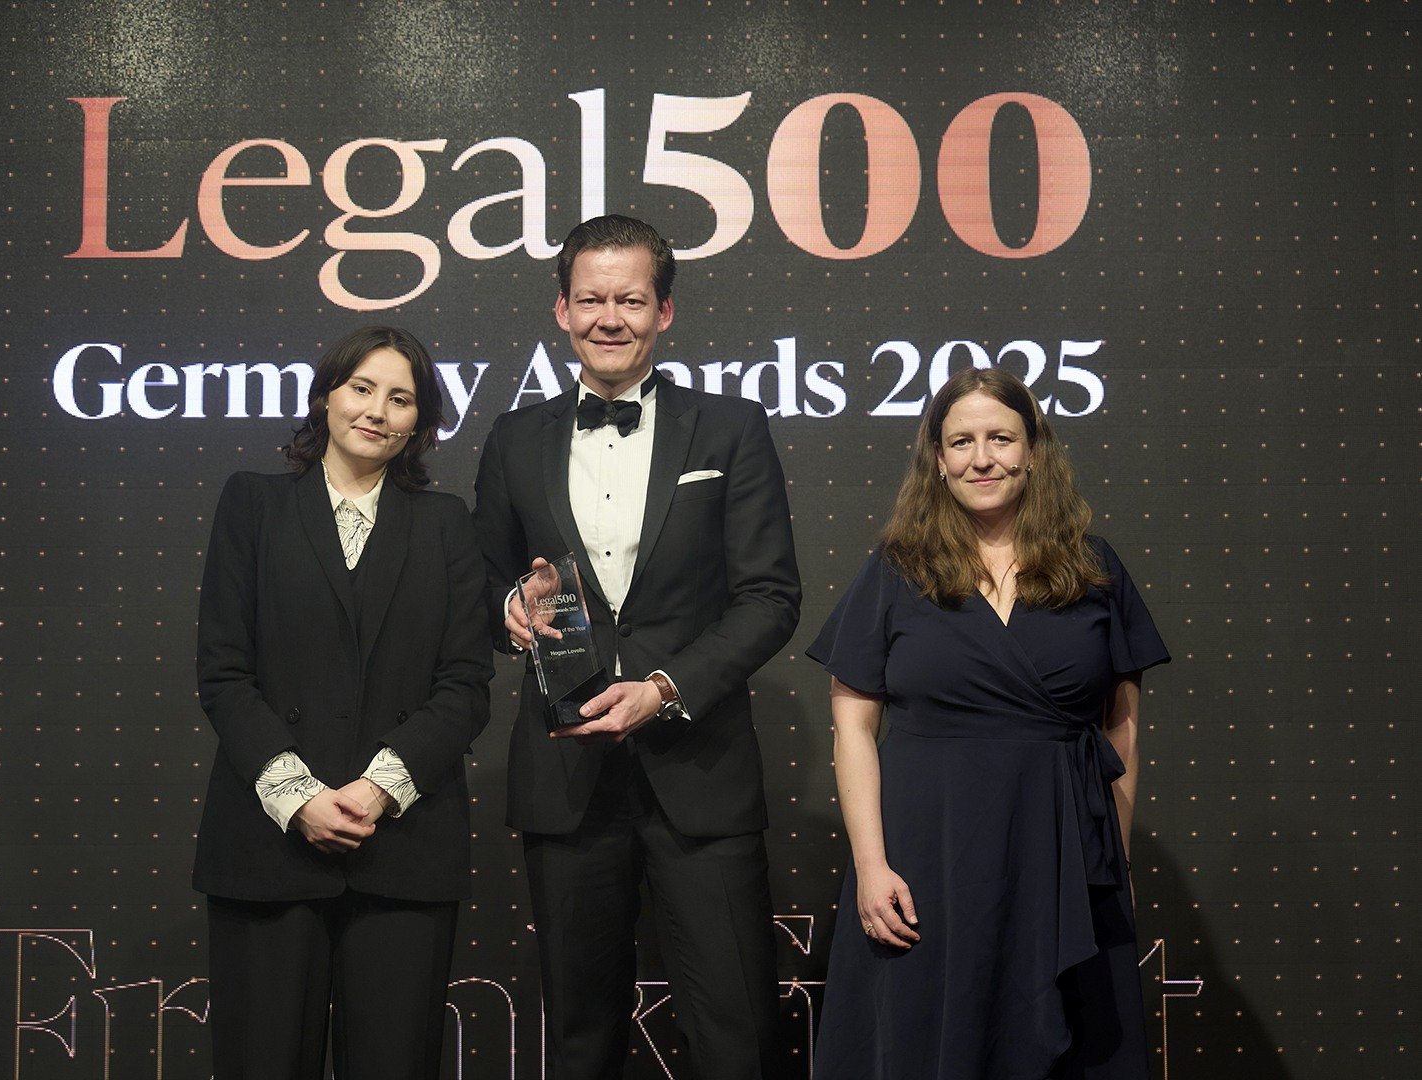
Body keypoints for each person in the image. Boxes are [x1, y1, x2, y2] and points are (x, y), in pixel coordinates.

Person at [472, 215, 801, 1079]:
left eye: (630, 299)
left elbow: (770, 599)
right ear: (562, 310)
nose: (608, 318)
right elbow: (480, 587)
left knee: (735, 1034)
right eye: (591, 300)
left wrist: (664, 688)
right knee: (580, 1039)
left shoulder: (730, 428)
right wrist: (510, 608)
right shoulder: (514, 438)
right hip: (566, 774)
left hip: (700, 770)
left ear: (665, 311)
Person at [807, 366, 1169, 1080]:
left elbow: (1121, 729)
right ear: (938, 460)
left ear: (1033, 450)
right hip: (928, 854)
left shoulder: (1094, 568)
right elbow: (852, 728)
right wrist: (872, 867)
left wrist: (1114, 863)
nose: (982, 458)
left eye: (1000, 438)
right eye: (961, 442)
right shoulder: (897, 569)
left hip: (1062, 852)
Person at [193, 325, 492, 1079]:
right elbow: (224, 672)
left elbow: (465, 686)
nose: (376, 412)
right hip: (268, 843)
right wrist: (298, 796)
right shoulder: (253, 503)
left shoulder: (446, 523)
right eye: (362, 389)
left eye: (401, 399)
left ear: (420, 423)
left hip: (402, 846)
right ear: (327, 395)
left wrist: (376, 791)